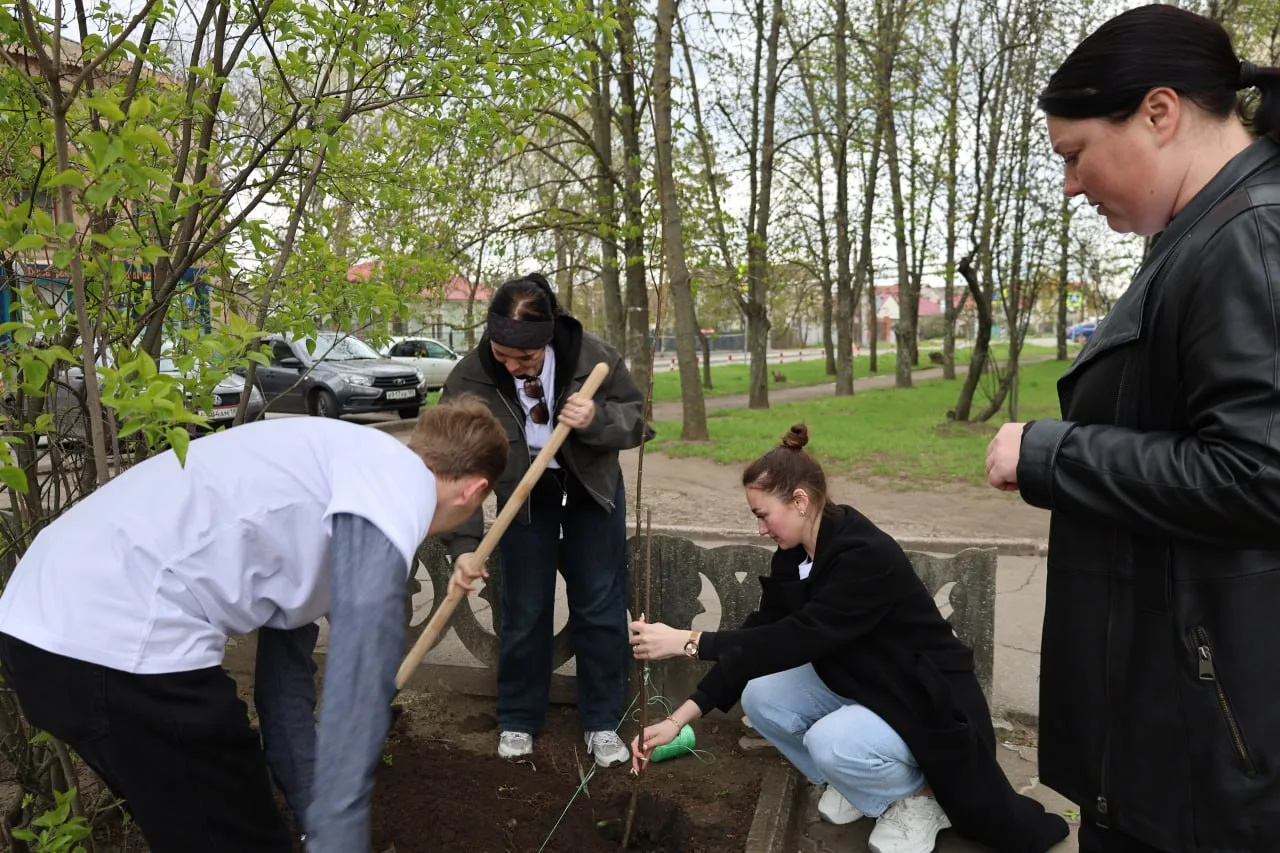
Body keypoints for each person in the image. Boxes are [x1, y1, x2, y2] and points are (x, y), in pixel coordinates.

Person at [984, 6, 1280, 852]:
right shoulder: (1195, 237)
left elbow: (1261, 472)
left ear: (1159, 112)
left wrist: (1049, 450)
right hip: (1175, 722)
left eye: (1075, 154)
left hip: (1210, 751)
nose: (1071, 185)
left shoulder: (1250, 237)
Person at [0, 399, 508, 852]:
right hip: (117, 641)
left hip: (42, 633)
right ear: (475, 491)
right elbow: (363, 654)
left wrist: (315, 816)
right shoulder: (394, 480)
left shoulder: (338, 479)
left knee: (198, 827)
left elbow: (284, 692)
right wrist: (339, 830)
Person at [631, 425, 1069, 853]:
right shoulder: (797, 552)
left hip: (925, 699)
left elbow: (797, 637)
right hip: (864, 682)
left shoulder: (864, 554)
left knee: (830, 742)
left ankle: (923, 798)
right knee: (762, 696)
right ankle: (863, 783)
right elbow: (760, 637)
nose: (760, 529)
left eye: (762, 515)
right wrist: (677, 720)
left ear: (800, 501)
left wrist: (687, 640)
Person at [441, 272, 644, 768]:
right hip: (523, 496)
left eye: (525, 359)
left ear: (548, 336)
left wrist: (595, 420)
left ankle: (602, 722)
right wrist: (465, 544)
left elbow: (637, 421)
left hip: (590, 488)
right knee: (524, 607)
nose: (512, 366)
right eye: (503, 354)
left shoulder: (595, 358)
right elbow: (451, 468)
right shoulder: (471, 378)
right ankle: (517, 718)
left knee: (598, 605)